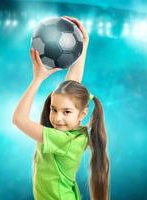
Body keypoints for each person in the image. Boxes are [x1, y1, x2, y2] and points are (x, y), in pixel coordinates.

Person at [12, 16, 110, 200]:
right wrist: (82, 46)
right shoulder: (78, 134)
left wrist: (38, 78)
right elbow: (72, 89)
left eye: (66, 112)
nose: (57, 118)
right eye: (53, 109)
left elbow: (18, 119)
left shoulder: (62, 139)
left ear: (83, 113)